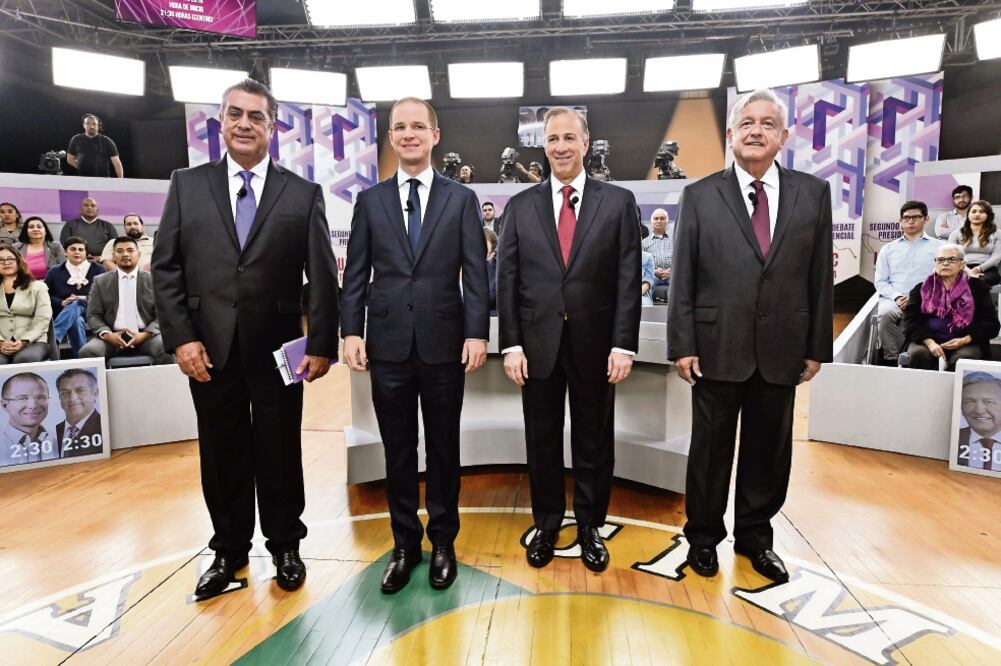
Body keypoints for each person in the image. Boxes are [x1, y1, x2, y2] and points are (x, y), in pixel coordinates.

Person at [153, 78, 339, 599]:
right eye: (235, 114)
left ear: (273, 127)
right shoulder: (187, 184)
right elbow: (166, 268)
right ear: (220, 120)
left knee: (280, 450)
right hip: (207, 349)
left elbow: (322, 275)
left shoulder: (302, 193)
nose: (243, 124)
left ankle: (285, 544)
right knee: (221, 450)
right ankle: (228, 552)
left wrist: (321, 341)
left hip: (279, 349)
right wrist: (181, 339)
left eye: (256, 117)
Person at [667, 88, 833, 583]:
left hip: (784, 347)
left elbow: (819, 276)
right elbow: (684, 277)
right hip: (717, 348)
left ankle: (757, 540)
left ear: (783, 136)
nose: (756, 131)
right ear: (731, 134)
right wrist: (682, 344)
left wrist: (815, 346)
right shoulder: (699, 195)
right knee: (710, 452)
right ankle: (702, 538)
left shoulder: (812, 193)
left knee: (769, 451)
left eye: (767, 123)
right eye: (747, 122)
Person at [341, 96, 489, 595]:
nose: (408, 134)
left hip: (445, 344)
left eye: (417, 127)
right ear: (390, 136)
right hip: (387, 347)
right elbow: (355, 274)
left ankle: (444, 541)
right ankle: (405, 544)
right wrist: (351, 330)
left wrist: (476, 332)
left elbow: (476, 273)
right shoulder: (370, 201)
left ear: (435, 135)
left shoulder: (461, 200)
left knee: (445, 449)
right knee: (398, 452)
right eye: (399, 127)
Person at [497, 107, 641, 573]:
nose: (560, 146)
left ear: (586, 142)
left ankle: (589, 526)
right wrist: (511, 344)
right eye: (552, 138)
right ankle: (547, 522)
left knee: (594, 439)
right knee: (541, 439)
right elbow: (508, 281)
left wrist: (624, 343)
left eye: (569, 137)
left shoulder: (618, 203)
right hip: (536, 347)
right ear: (544, 145)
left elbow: (625, 280)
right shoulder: (519, 207)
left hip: (597, 347)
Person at [901, 244, 998, 371]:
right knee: (919, 354)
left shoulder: (978, 288)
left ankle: (951, 391)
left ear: (962, 264)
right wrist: (930, 343)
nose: (945, 263)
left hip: (966, 342)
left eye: (952, 260)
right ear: (935, 264)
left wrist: (964, 340)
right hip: (927, 341)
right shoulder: (921, 289)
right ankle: (921, 390)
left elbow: (991, 324)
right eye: (941, 260)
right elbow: (910, 323)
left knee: (963, 359)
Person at [80, 237, 171, 365]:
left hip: (147, 336)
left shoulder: (154, 280)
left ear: (138, 254)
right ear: (113, 256)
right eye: (120, 251)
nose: (125, 254)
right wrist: (108, 335)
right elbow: (93, 315)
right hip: (112, 337)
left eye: (130, 250)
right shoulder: (100, 281)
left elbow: (163, 314)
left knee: (166, 346)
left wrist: (144, 335)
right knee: (88, 352)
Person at [873, 201, 942, 365]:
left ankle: (921, 358)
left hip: (928, 299)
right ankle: (892, 359)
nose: (910, 221)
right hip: (895, 299)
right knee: (885, 313)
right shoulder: (888, 249)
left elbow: (943, 278)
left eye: (915, 217)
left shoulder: (939, 247)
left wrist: (919, 297)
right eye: (906, 218)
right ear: (900, 221)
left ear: (926, 219)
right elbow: (881, 281)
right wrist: (897, 297)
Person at [45, 236, 105, 358]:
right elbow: (45, 296)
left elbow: (107, 295)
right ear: (65, 252)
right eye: (73, 249)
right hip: (65, 311)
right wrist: (62, 302)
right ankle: (82, 358)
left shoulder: (98, 269)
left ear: (86, 252)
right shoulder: (55, 271)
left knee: (77, 302)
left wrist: (86, 299)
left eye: (81, 249)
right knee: (76, 321)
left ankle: (54, 337)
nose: (77, 252)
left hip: (93, 310)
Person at [0, 245, 52, 364]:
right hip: (2, 341)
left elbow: (43, 318)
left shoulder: (38, 287)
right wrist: (1, 342)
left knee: (24, 359)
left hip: (34, 341)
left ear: (19, 261)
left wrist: (24, 340)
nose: (6, 262)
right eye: (1, 260)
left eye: (10, 259)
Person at [0, 373, 55, 467]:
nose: (33, 406)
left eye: (41, 397)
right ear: (4, 405)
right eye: (22, 398)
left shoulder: (59, 440)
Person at [947, 200, 1001, 286]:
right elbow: (950, 255)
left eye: (982, 211)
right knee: (963, 280)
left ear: (988, 215)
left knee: (978, 281)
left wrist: (979, 269)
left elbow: (996, 257)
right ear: (968, 214)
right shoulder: (956, 233)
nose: (977, 214)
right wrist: (968, 271)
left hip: (987, 270)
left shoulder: (997, 233)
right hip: (960, 268)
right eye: (974, 211)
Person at [957, 372, 1001, 472]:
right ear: (961, 408)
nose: (979, 411)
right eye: (970, 402)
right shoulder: (954, 438)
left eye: (989, 402)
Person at [55, 368, 103, 458]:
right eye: (65, 393)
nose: (72, 398)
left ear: (95, 393)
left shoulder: (104, 426)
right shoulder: (53, 433)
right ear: (60, 398)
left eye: (80, 391)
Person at [67, 114, 124, 178]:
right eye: (88, 123)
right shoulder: (76, 139)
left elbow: (117, 164)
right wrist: (83, 167)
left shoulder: (107, 141)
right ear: (84, 125)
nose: (91, 126)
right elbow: (70, 159)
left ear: (98, 126)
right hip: (83, 180)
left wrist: (121, 182)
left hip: (103, 181)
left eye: (94, 124)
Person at [641, 208, 673, 286]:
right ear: (652, 222)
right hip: (653, 276)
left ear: (667, 221)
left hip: (673, 275)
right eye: (656, 219)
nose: (659, 221)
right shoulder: (644, 243)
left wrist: (673, 271)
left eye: (662, 218)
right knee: (644, 284)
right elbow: (641, 265)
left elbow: (682, 261)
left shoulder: (676, 241)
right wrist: (654, 271)